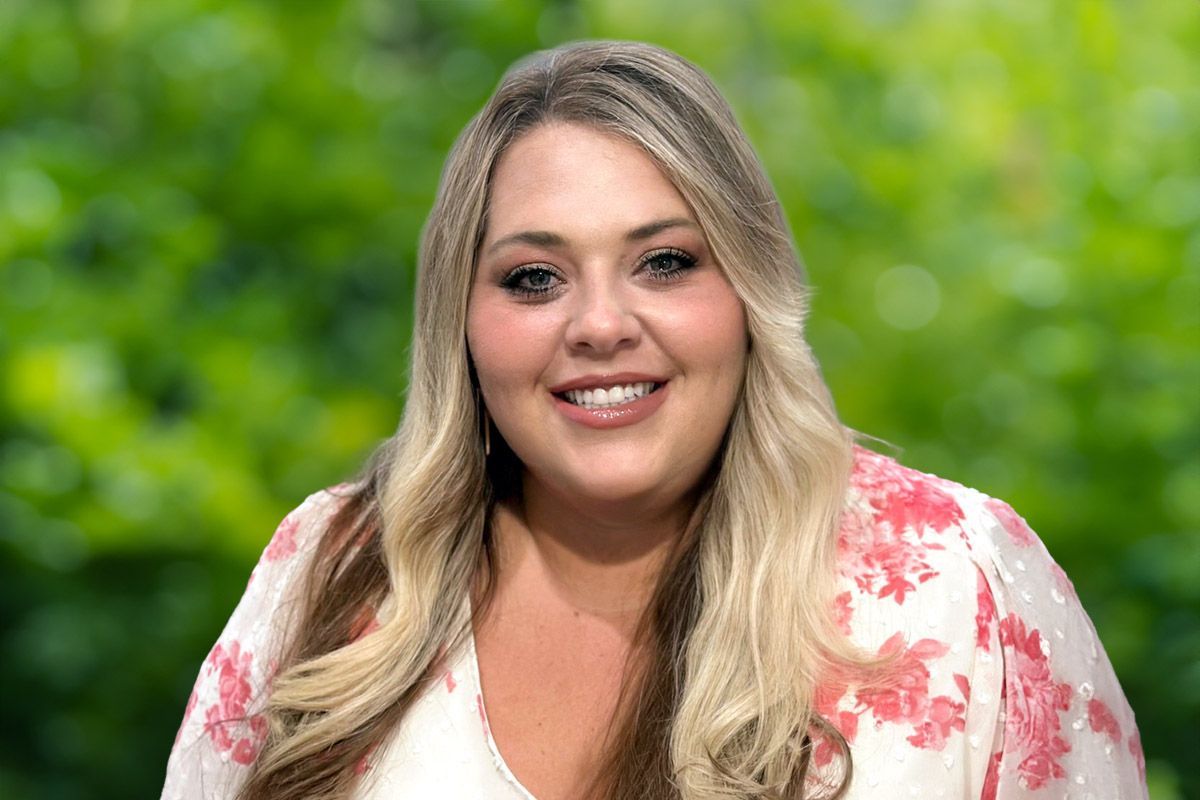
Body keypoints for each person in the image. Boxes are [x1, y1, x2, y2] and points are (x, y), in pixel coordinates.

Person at [161, 41, 1146, 800]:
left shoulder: (963, 582)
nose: (598, 325)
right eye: (533, 277)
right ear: (460, 323)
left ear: (751, 292)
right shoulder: (329, 568)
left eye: (665, 261)